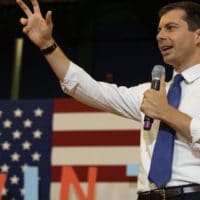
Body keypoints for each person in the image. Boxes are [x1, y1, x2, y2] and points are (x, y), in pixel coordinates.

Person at [16, 0, 200, 199]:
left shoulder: (157, 101)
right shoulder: (151, 93)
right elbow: (90, 89)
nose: (160, 36)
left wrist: (166, 112)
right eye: (159, 29)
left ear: (197, 35)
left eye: (171, 28)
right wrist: (47, 45)